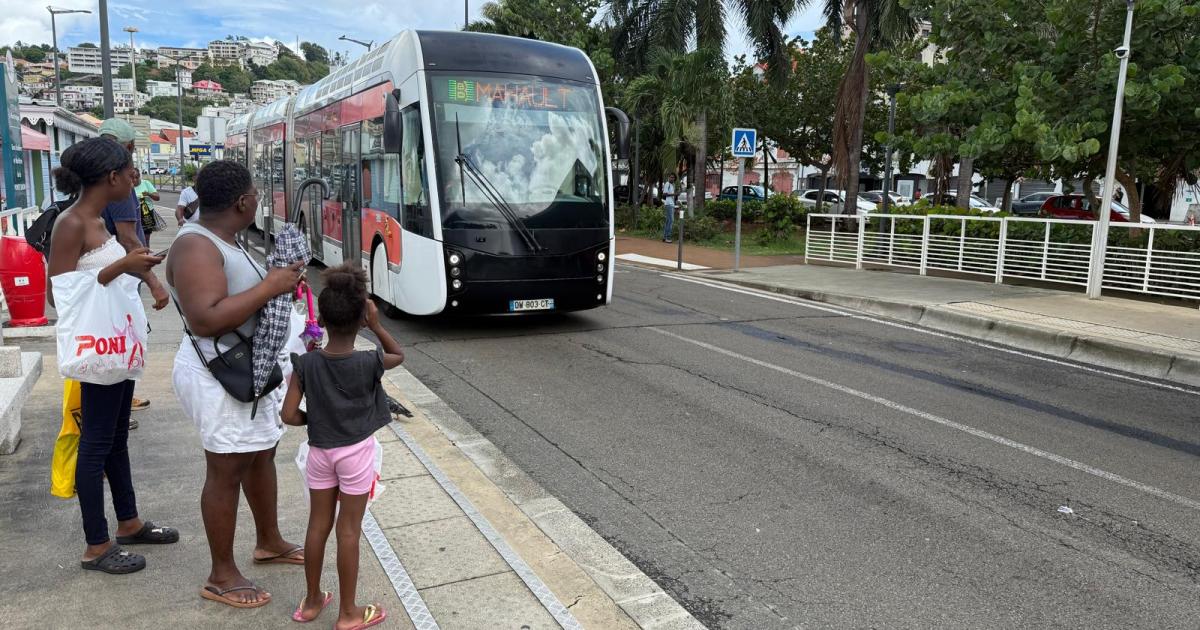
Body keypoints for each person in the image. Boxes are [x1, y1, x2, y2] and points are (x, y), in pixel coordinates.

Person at [166, 160, 306, 609]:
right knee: (226, 468)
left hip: (250, 368)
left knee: (261, 453)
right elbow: (206, 318)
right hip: (219, 373)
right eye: (256, 196)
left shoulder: (225, 239)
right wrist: (271, 286)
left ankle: (269, 541)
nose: (259, 202)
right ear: (243, 202)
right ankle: (221, 573)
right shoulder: (195, 246)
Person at [46, 137, 180, 575]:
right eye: (129, 172)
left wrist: (142, 274)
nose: (134, 179)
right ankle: (95, 544)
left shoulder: (96, 221)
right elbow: (60, 292)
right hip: (97, 352)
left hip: (115, 347)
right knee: (97, 444)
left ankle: (129, 522)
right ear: (111, 177)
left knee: (116, 437)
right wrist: (118, 267)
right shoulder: (71, 223)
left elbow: (102, 277)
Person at [283, 264, 402, 629]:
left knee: (318, 525)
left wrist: (313, 422)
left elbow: (288, 415)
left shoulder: (306, 363)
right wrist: (378, 325)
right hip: (356, 454)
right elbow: (398, 355)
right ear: (361, 319)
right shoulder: (368, 361)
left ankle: (313, 600)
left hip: (320, 453)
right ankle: (349, 613)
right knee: (348, 530)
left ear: (323, 316)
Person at [99, 118, 165, 414]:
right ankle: (119, 404)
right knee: (124, 339)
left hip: (103, 276)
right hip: (122, 278)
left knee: (107, 340)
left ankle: (109, 405)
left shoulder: (93, 185)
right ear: (126, 148)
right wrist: (153, 281)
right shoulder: (120, 190)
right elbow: (128, 239)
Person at [132, 169, 161, 248]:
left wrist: (148, 194)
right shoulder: (127, 185)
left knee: (146, 237)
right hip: (133, 213)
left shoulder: (146, 183)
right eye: (132, 178)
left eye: (136, 177)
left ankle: (146, 253)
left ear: (139, 177)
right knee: (134, 236)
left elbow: (157, 197)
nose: (134, 180)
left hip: (146, 213)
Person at [662, 174, 676, 244]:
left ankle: (664, 237)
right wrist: (674, 194)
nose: (672, 178)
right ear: (668, 177)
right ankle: (668, 237)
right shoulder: (667, 184)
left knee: (668, 221)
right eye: (671, 177)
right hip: (668, 204)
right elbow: (664, 194)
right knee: (671, 221)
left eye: (673, 177)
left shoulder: (672, 185)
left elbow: (671, 196)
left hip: (671, 204)